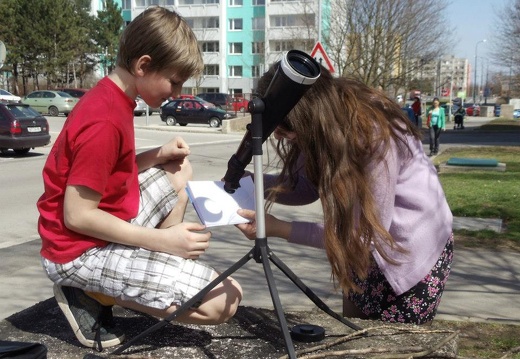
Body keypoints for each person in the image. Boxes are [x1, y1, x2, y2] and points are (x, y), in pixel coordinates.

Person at [37, 7, 242, 351]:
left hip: (100, 226)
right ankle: (93, 293)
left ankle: (146, 273)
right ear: (143, 66)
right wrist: (163, 243)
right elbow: (77, 215)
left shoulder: (114, 97)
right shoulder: (103, 119)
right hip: (77, 252)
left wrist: (156, 156)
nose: (177, 93)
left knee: (180, 170)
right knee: (225, 299)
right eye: (174, 81)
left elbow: (106, 168)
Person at [235, 64, 453, 326]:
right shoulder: (322, 123)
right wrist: (251, 182)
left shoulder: (372, 134)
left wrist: (279, 228)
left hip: (409, 252)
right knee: (354, 332)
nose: (281, 136)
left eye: (286, 130)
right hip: (363, 250)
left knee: (391, 347)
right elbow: (304, 187)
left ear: (309, 114)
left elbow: (366, 237)